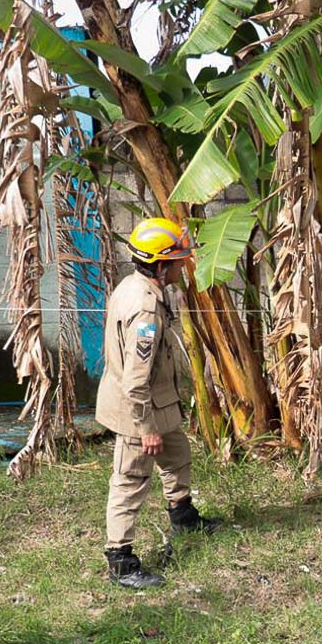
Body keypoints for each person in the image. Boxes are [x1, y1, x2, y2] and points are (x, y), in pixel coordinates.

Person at [97, 216, 220, 589]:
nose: (184, 265)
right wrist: (146, 428)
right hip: (139, 409)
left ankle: (182, 516)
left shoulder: (134, 286)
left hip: (160, 404)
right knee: (130, 481)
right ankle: (121, 559)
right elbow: (136, 379)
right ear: (162, 263)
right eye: (179, 260)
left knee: (177, 455)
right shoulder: (146, 309)